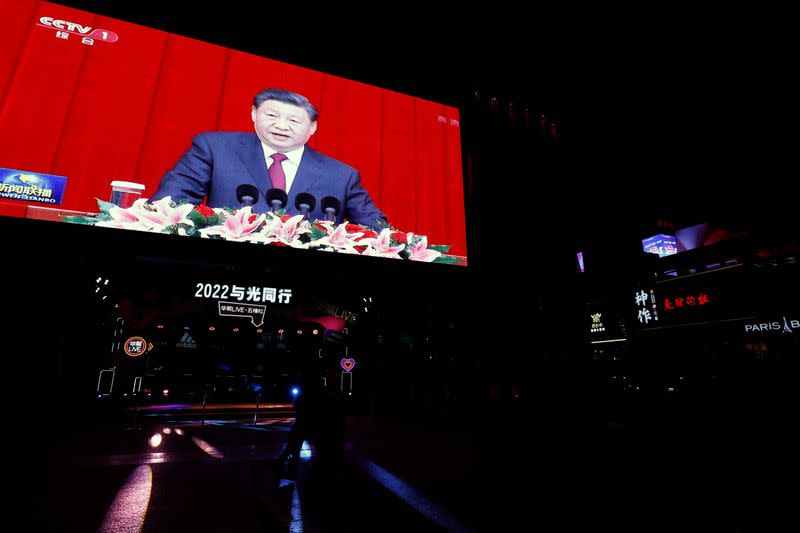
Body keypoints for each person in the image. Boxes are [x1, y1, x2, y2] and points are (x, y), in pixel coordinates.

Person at [152, 88, 387, 228]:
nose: (281, 125)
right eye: (272, 115)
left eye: (294, 120)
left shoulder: (342, 175)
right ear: (254, 113)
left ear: (313, 127)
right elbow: (169, 204)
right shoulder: (214, 147)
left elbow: (379, 231)